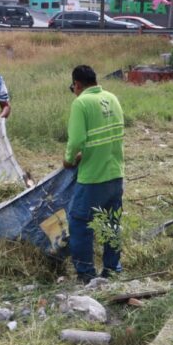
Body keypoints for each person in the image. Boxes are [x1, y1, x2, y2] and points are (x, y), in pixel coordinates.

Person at [63, 65, 125, 282]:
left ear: (77, 85)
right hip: (115, 174)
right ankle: (112, 268)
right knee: (111, 222)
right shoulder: (112, 98)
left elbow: (77, 140)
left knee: (79, 222)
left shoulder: (81, 103)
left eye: (73, 88)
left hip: (92, 177)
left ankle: (86, 274)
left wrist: (69, 160)